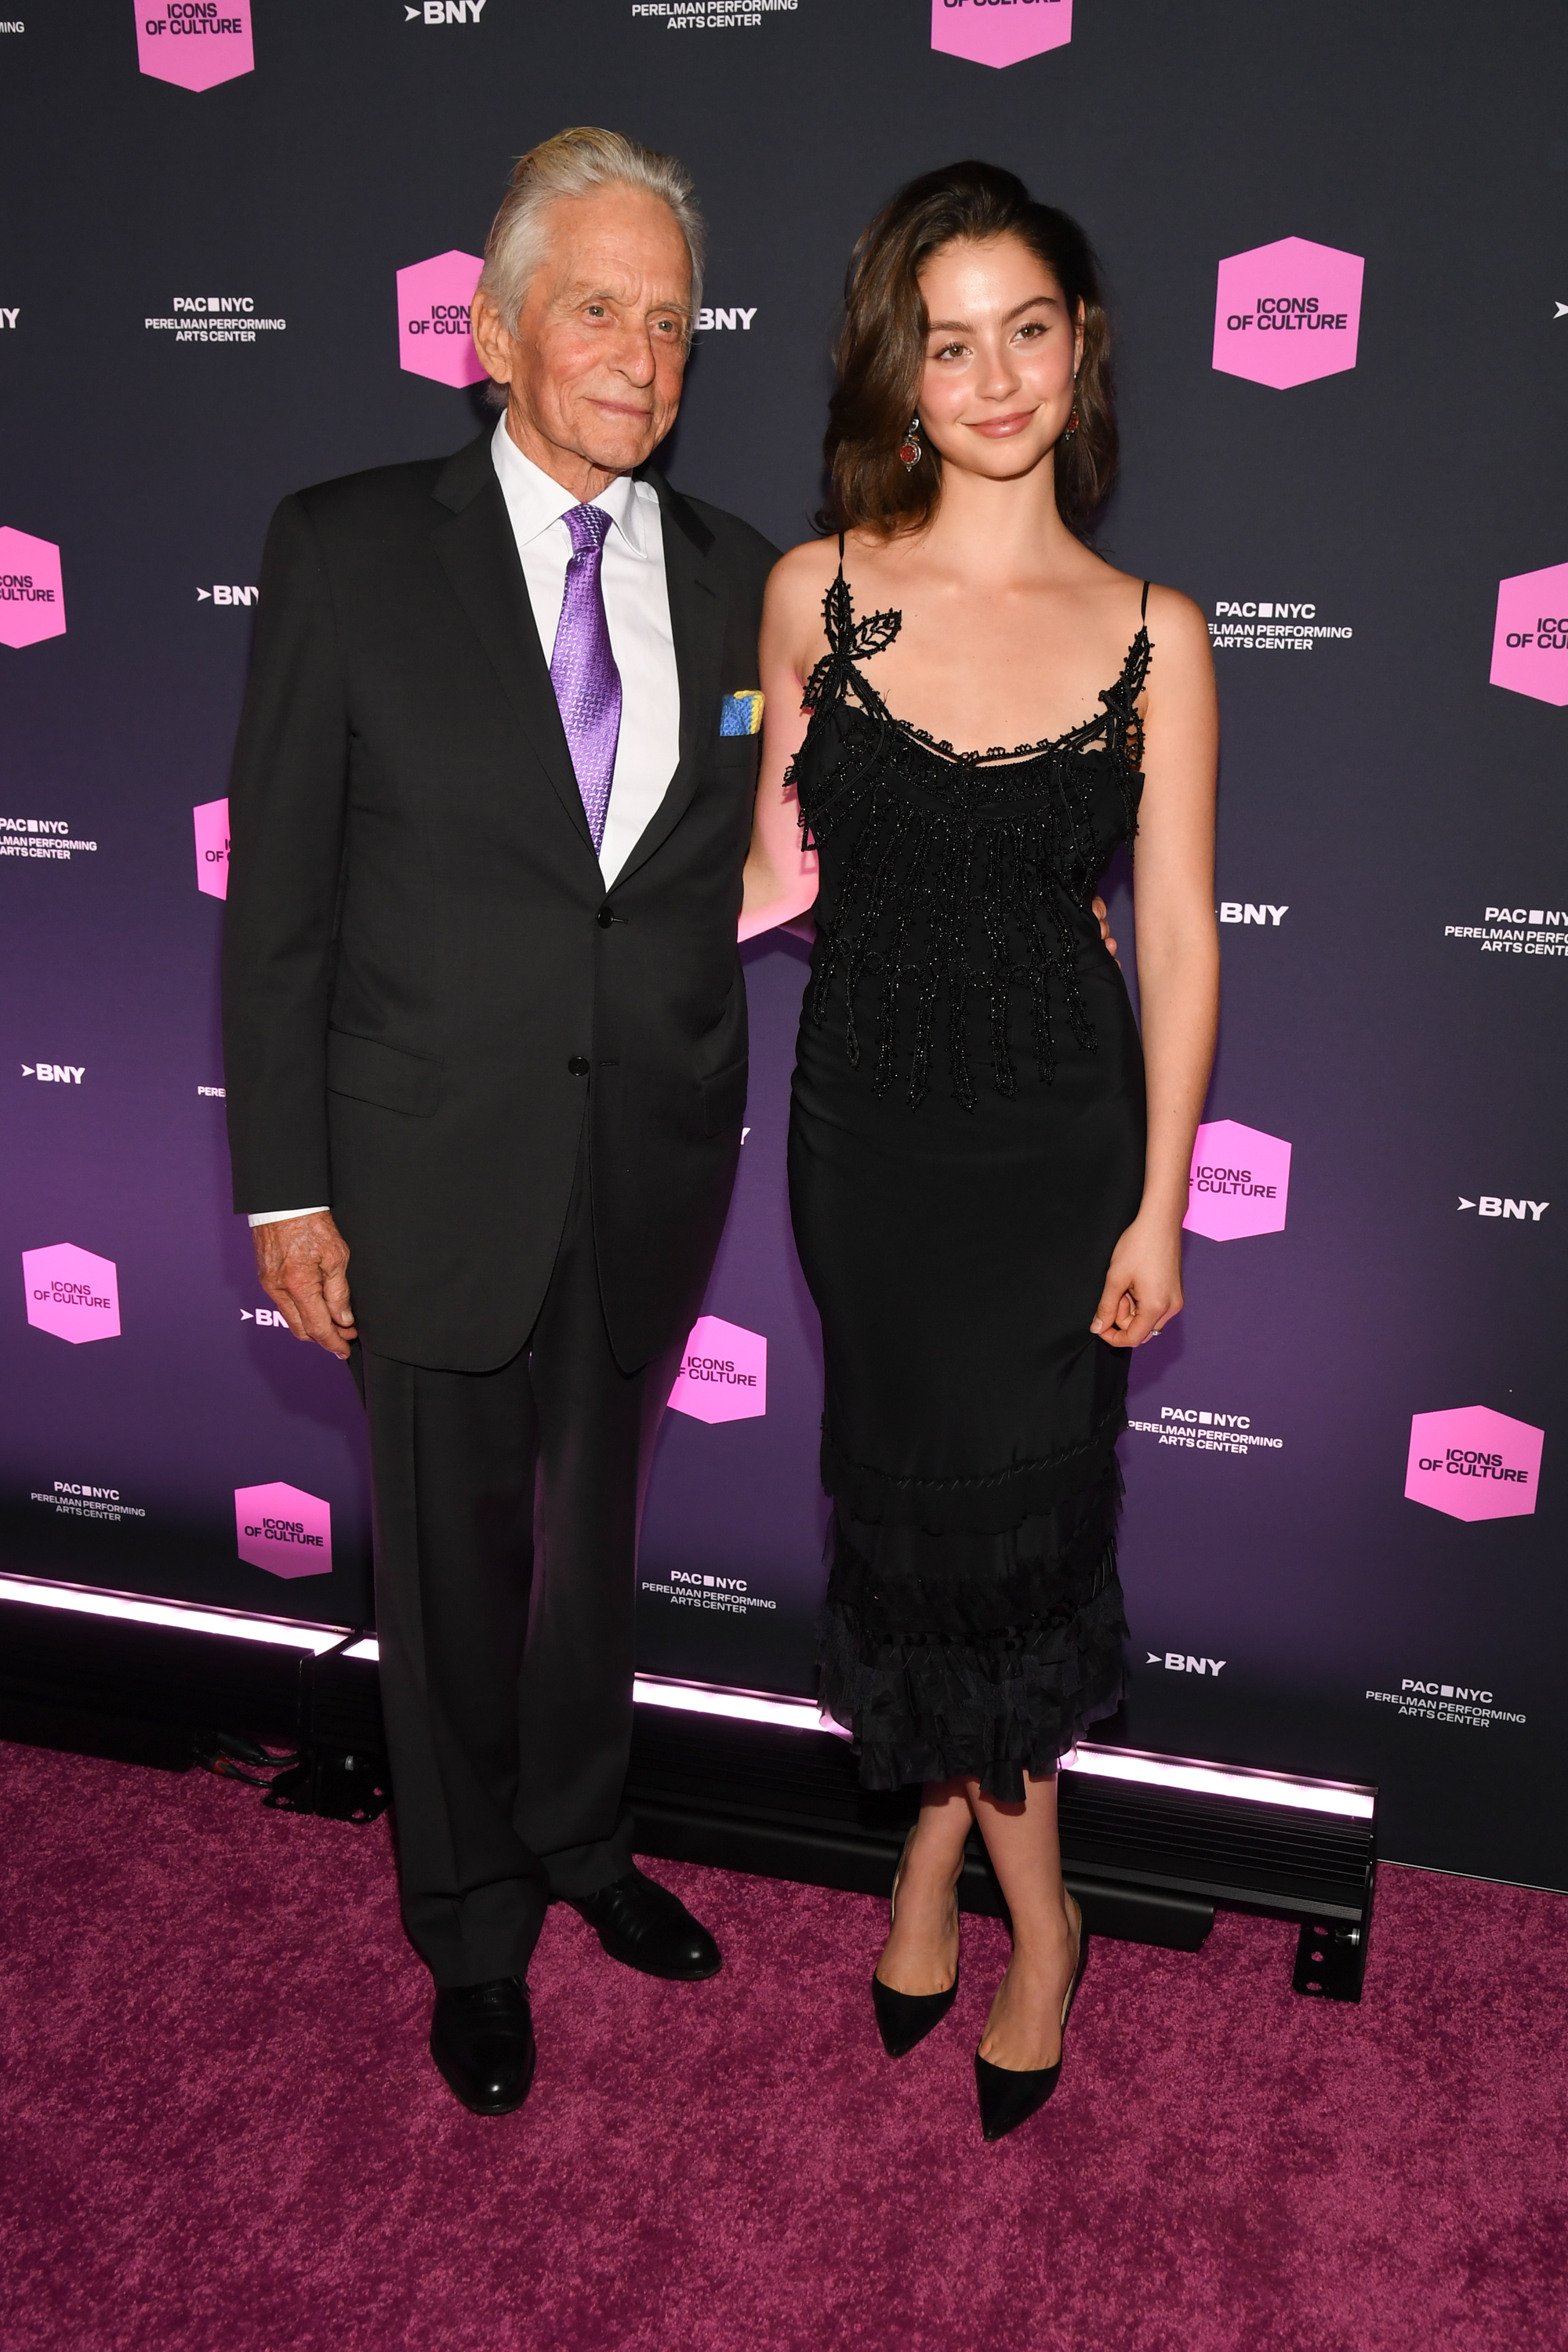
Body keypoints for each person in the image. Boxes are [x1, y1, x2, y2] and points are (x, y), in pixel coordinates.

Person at [222, 129, 779, 2117]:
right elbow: (276, 900)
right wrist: (283, 1184)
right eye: (595, 307)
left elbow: (729, 859)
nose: (638, 354)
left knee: (596, 1551)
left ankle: (583, 1845)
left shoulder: (737, 581)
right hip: (420, 1163)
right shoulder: (349, 543)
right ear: (491, 328)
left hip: (641, 1160)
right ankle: (467, 1920)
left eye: (670, 320)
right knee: (452, 1569)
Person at [742, 162, 1219, 2140]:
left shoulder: (1155, 633)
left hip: (1053, 1162)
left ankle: (1026, 1901)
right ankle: (959, 1854)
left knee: (1018, 1548)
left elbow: (1177, 928)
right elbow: (773, 864)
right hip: (868, 1151)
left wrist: (1162, 1196)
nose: (994, 373)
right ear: (901, 370)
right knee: (906, 1517)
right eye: (950, 339)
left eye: (1028, 326)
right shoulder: (813, 589)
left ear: (1079, 345)